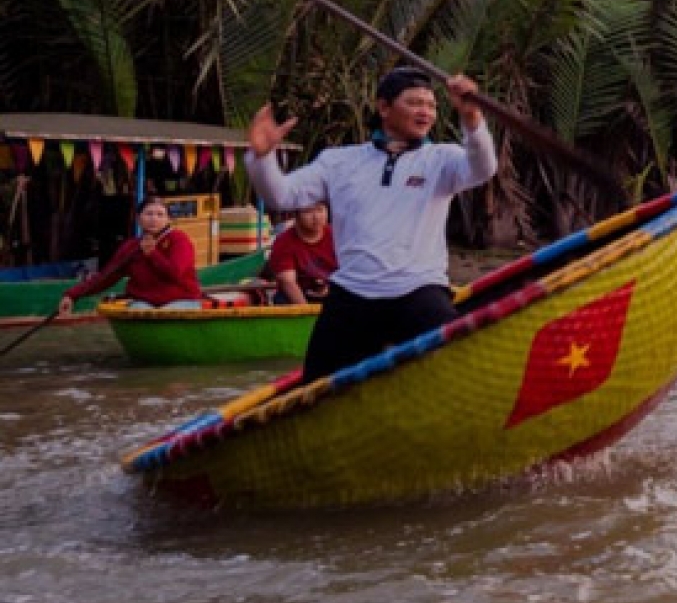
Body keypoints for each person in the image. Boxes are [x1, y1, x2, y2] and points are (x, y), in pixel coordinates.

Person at [244, 64, 498, 380]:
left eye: (432, 105)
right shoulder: (339, 161)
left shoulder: (442, 159)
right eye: (415, 102)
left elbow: (482, 169)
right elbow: (281, 196)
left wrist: (472, 121)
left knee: (460, 368)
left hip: (419, 290)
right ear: (383, 107)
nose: (426, 112)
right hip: (353, 293)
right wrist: (262, 157)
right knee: (315, 387)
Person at [57, 196, 205, 312]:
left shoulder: (179, 240)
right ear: (139, 218)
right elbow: (106, 276)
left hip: (181, 300)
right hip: (144, 303)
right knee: (140, 311)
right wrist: (72, 295)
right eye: (149, 214)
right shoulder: (131, 247)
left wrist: (152, 254)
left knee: (164, 314)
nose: (154, 219)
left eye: (160, 215)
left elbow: (175, 273)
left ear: (168, 220)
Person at [266, 200, 339, 304]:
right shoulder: (284, 241)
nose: (316, 217)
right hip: (298, 294)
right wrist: (307, 312)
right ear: (296, 214)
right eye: (308, 211)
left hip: (333, 291)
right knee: (282, 299)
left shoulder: (337, 235)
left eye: (320, 210)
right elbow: (288, 282)